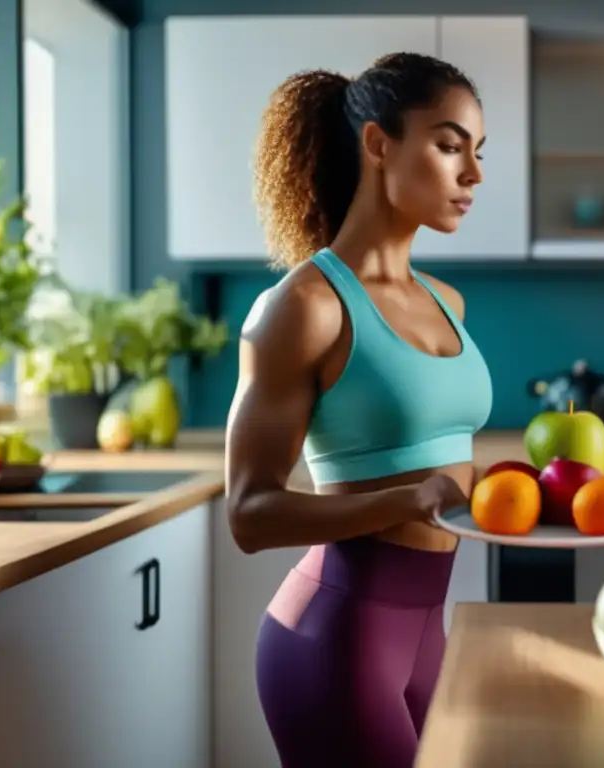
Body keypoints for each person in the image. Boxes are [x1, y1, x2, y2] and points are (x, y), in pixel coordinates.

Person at [223, 52, 492, 768]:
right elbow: (249, 515)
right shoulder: (303, 307)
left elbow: (436, 463)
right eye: (448, 144)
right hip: (334, 640)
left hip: (429, 631)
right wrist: (408, 498)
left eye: (477, 151)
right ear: (379, 144)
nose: (474, 175)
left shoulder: (447, 303)